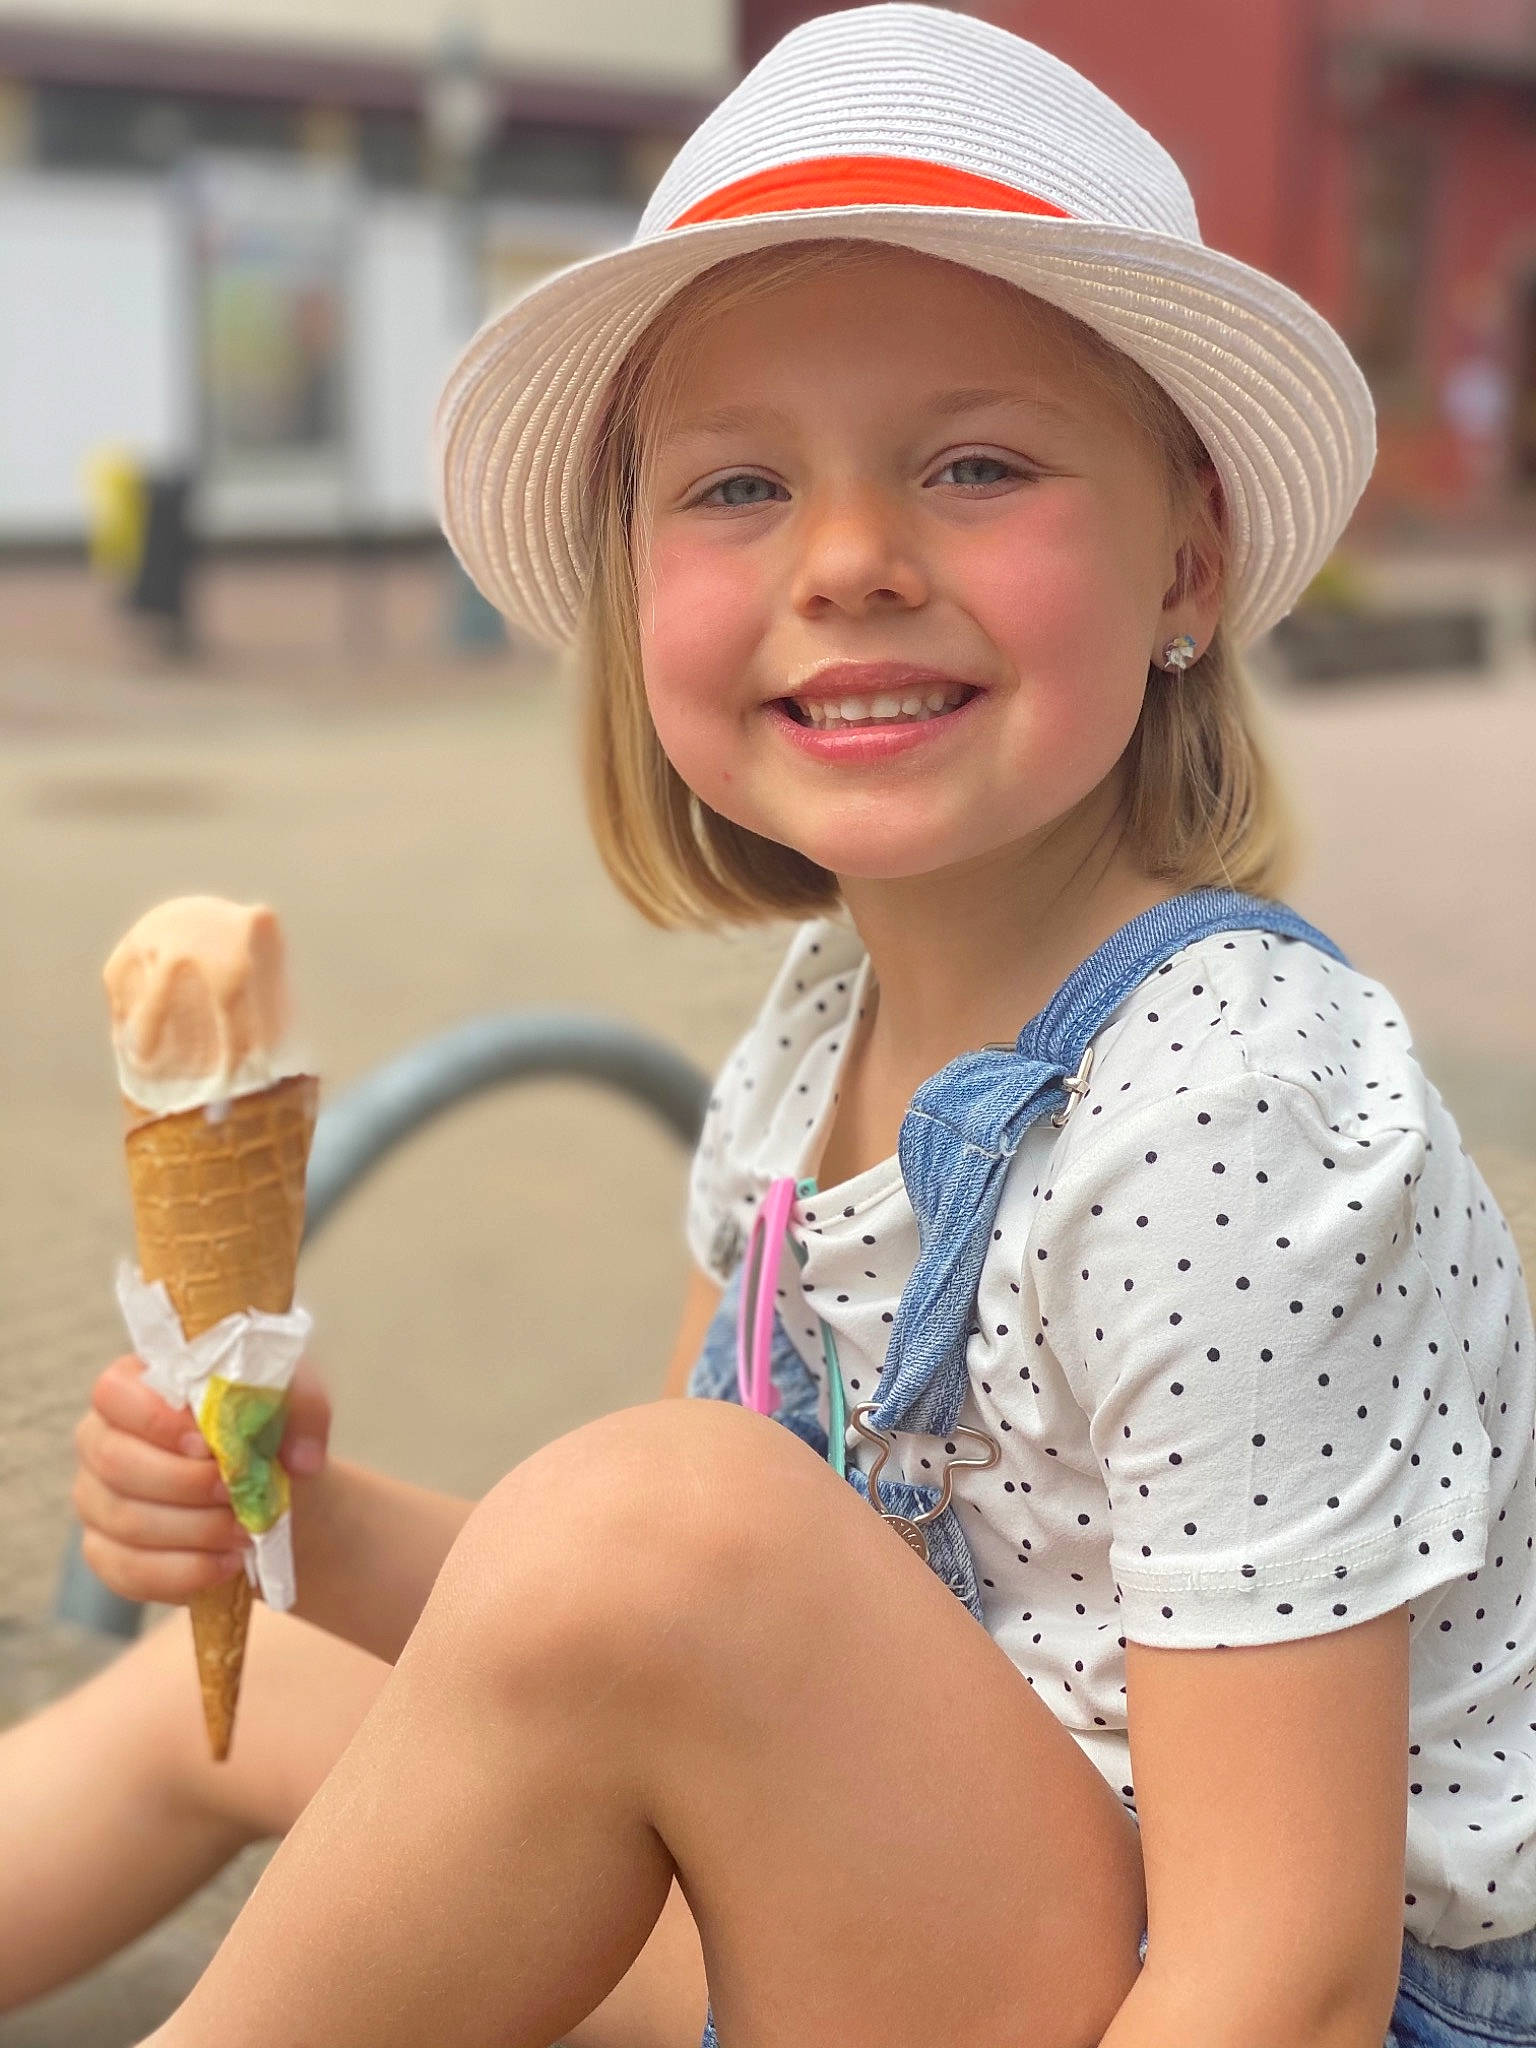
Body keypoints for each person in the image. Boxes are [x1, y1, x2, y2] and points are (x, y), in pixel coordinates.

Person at [5, 7, 1534, 2043]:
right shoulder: (812, 1041)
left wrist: (638, 1540)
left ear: (1192, 551)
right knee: (267, 1673)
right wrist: (298, 1522)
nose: (849, 562)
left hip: (1246, 1989)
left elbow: (1294, 1973)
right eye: (736, 484)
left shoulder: (1238, 1109)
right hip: (928, 1901)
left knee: (663, 1508)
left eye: (974, 462)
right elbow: (640, 1631)